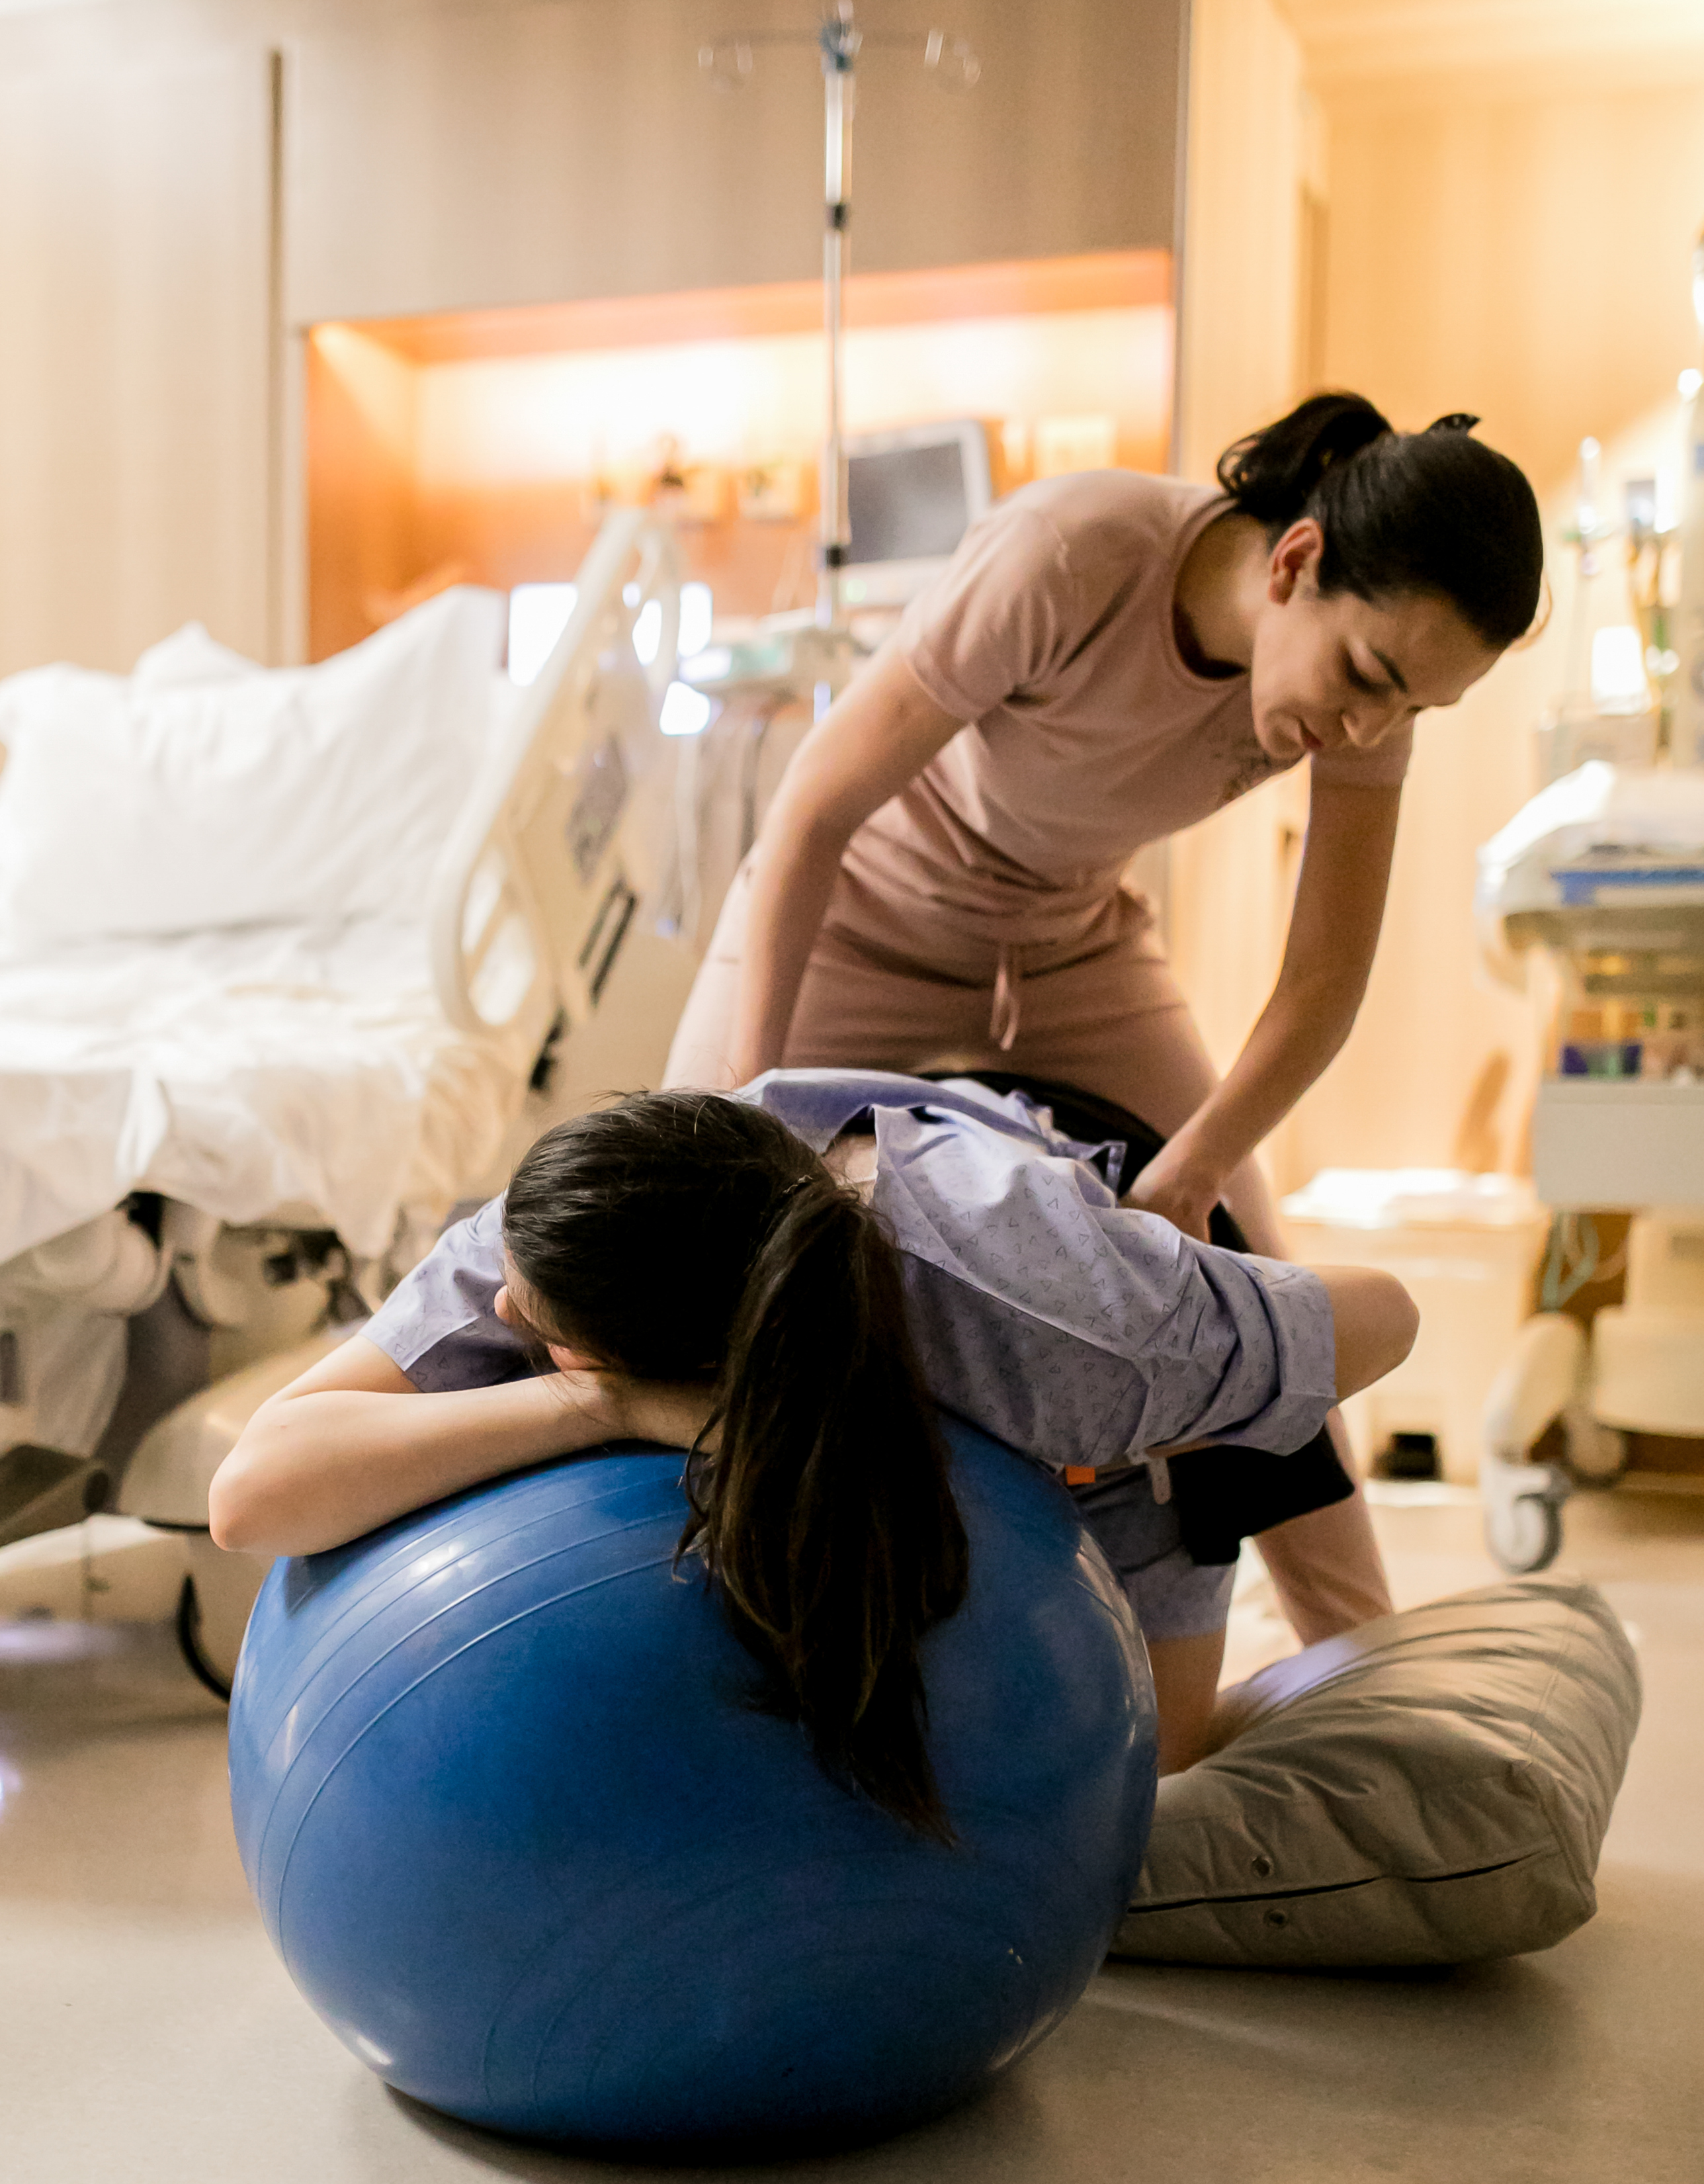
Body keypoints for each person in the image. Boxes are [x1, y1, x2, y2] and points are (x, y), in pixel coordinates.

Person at [661, 392, 1545, 1655]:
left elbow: (1324, 980)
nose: (1369, 731)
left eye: (1413, 712)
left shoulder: (1366, 698)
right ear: (1296, 561)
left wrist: (1188, 1180)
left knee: (1259, 1277)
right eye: (1367, 679)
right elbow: (813, 811)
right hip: (865, 915)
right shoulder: (1074, 551)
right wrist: (750, 1107)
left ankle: (1366, 1677)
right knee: (680, 1224)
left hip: (1071, 947)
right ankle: (662, 1614)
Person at [210, 1072, 1418, 1802]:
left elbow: (1385, 1315)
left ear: (698, 1350)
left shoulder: (1073, 1339)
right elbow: (253, 1495)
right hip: (814, 1179)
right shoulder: (543, 1242)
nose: (504, 1313)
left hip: (1089, 1333)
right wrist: (600, 1404)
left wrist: (1192, 1342)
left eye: (540, 1322)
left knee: (1137, 1810)